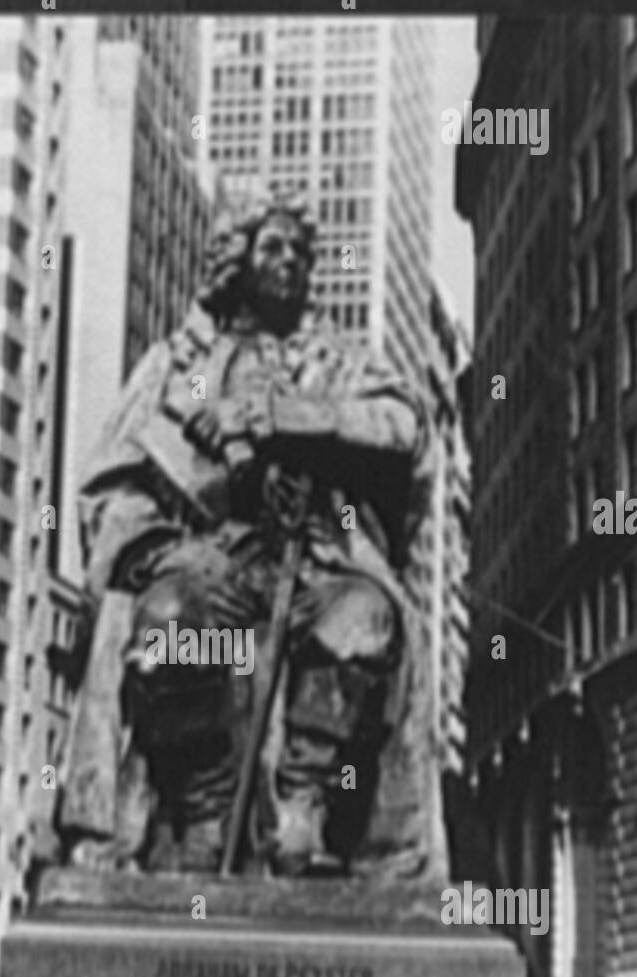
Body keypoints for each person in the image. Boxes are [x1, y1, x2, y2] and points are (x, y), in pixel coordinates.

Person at [55, 193, 441, 879]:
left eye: (300, 251)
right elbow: (113, 483)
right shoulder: (188, 364)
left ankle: (304, 807)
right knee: (172, 620)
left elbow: (404, 428)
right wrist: (166, 543)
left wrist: (293, 420)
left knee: (365, 622)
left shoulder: (337, 363)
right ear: (237, 260)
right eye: (272, 247)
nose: (289, 262)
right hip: (212, 563)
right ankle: (204, 811)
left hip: (317, 563)